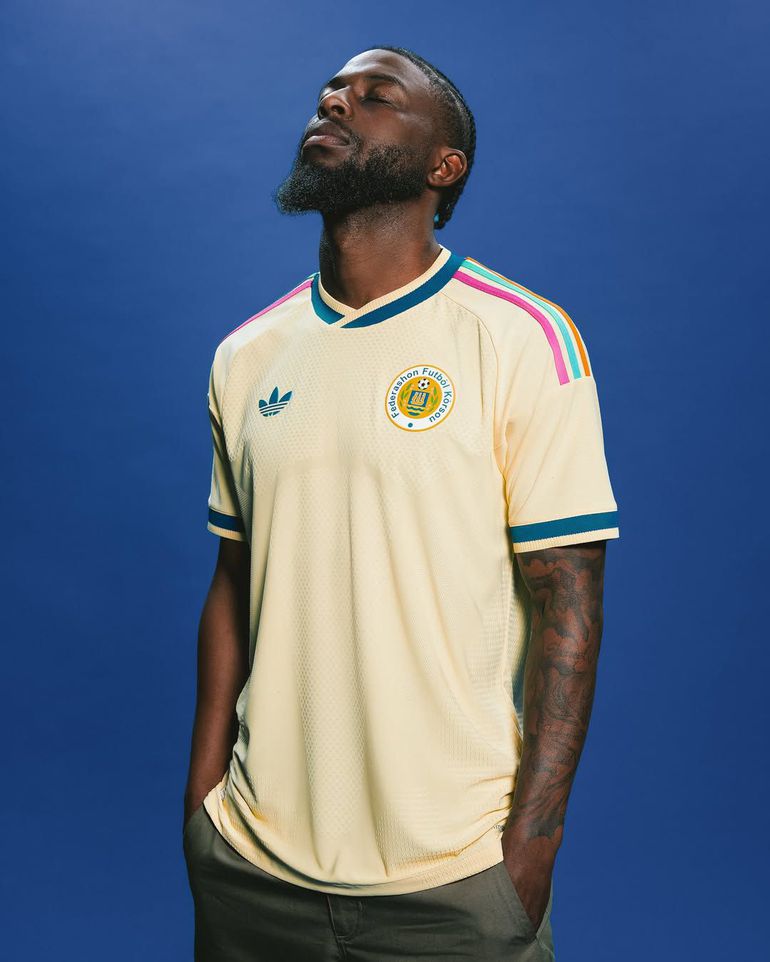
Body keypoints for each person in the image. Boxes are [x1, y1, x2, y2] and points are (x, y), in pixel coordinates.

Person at [182, 43, 620, 962]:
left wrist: (529, 853)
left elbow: (568, 601)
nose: (336, 103)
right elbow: (231, 584)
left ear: (442, 166)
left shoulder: (522, 338)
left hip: (454, 881)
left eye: (376, 96)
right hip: (252, 868)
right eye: (330, 92)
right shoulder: (247, 356)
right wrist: (203, 802)